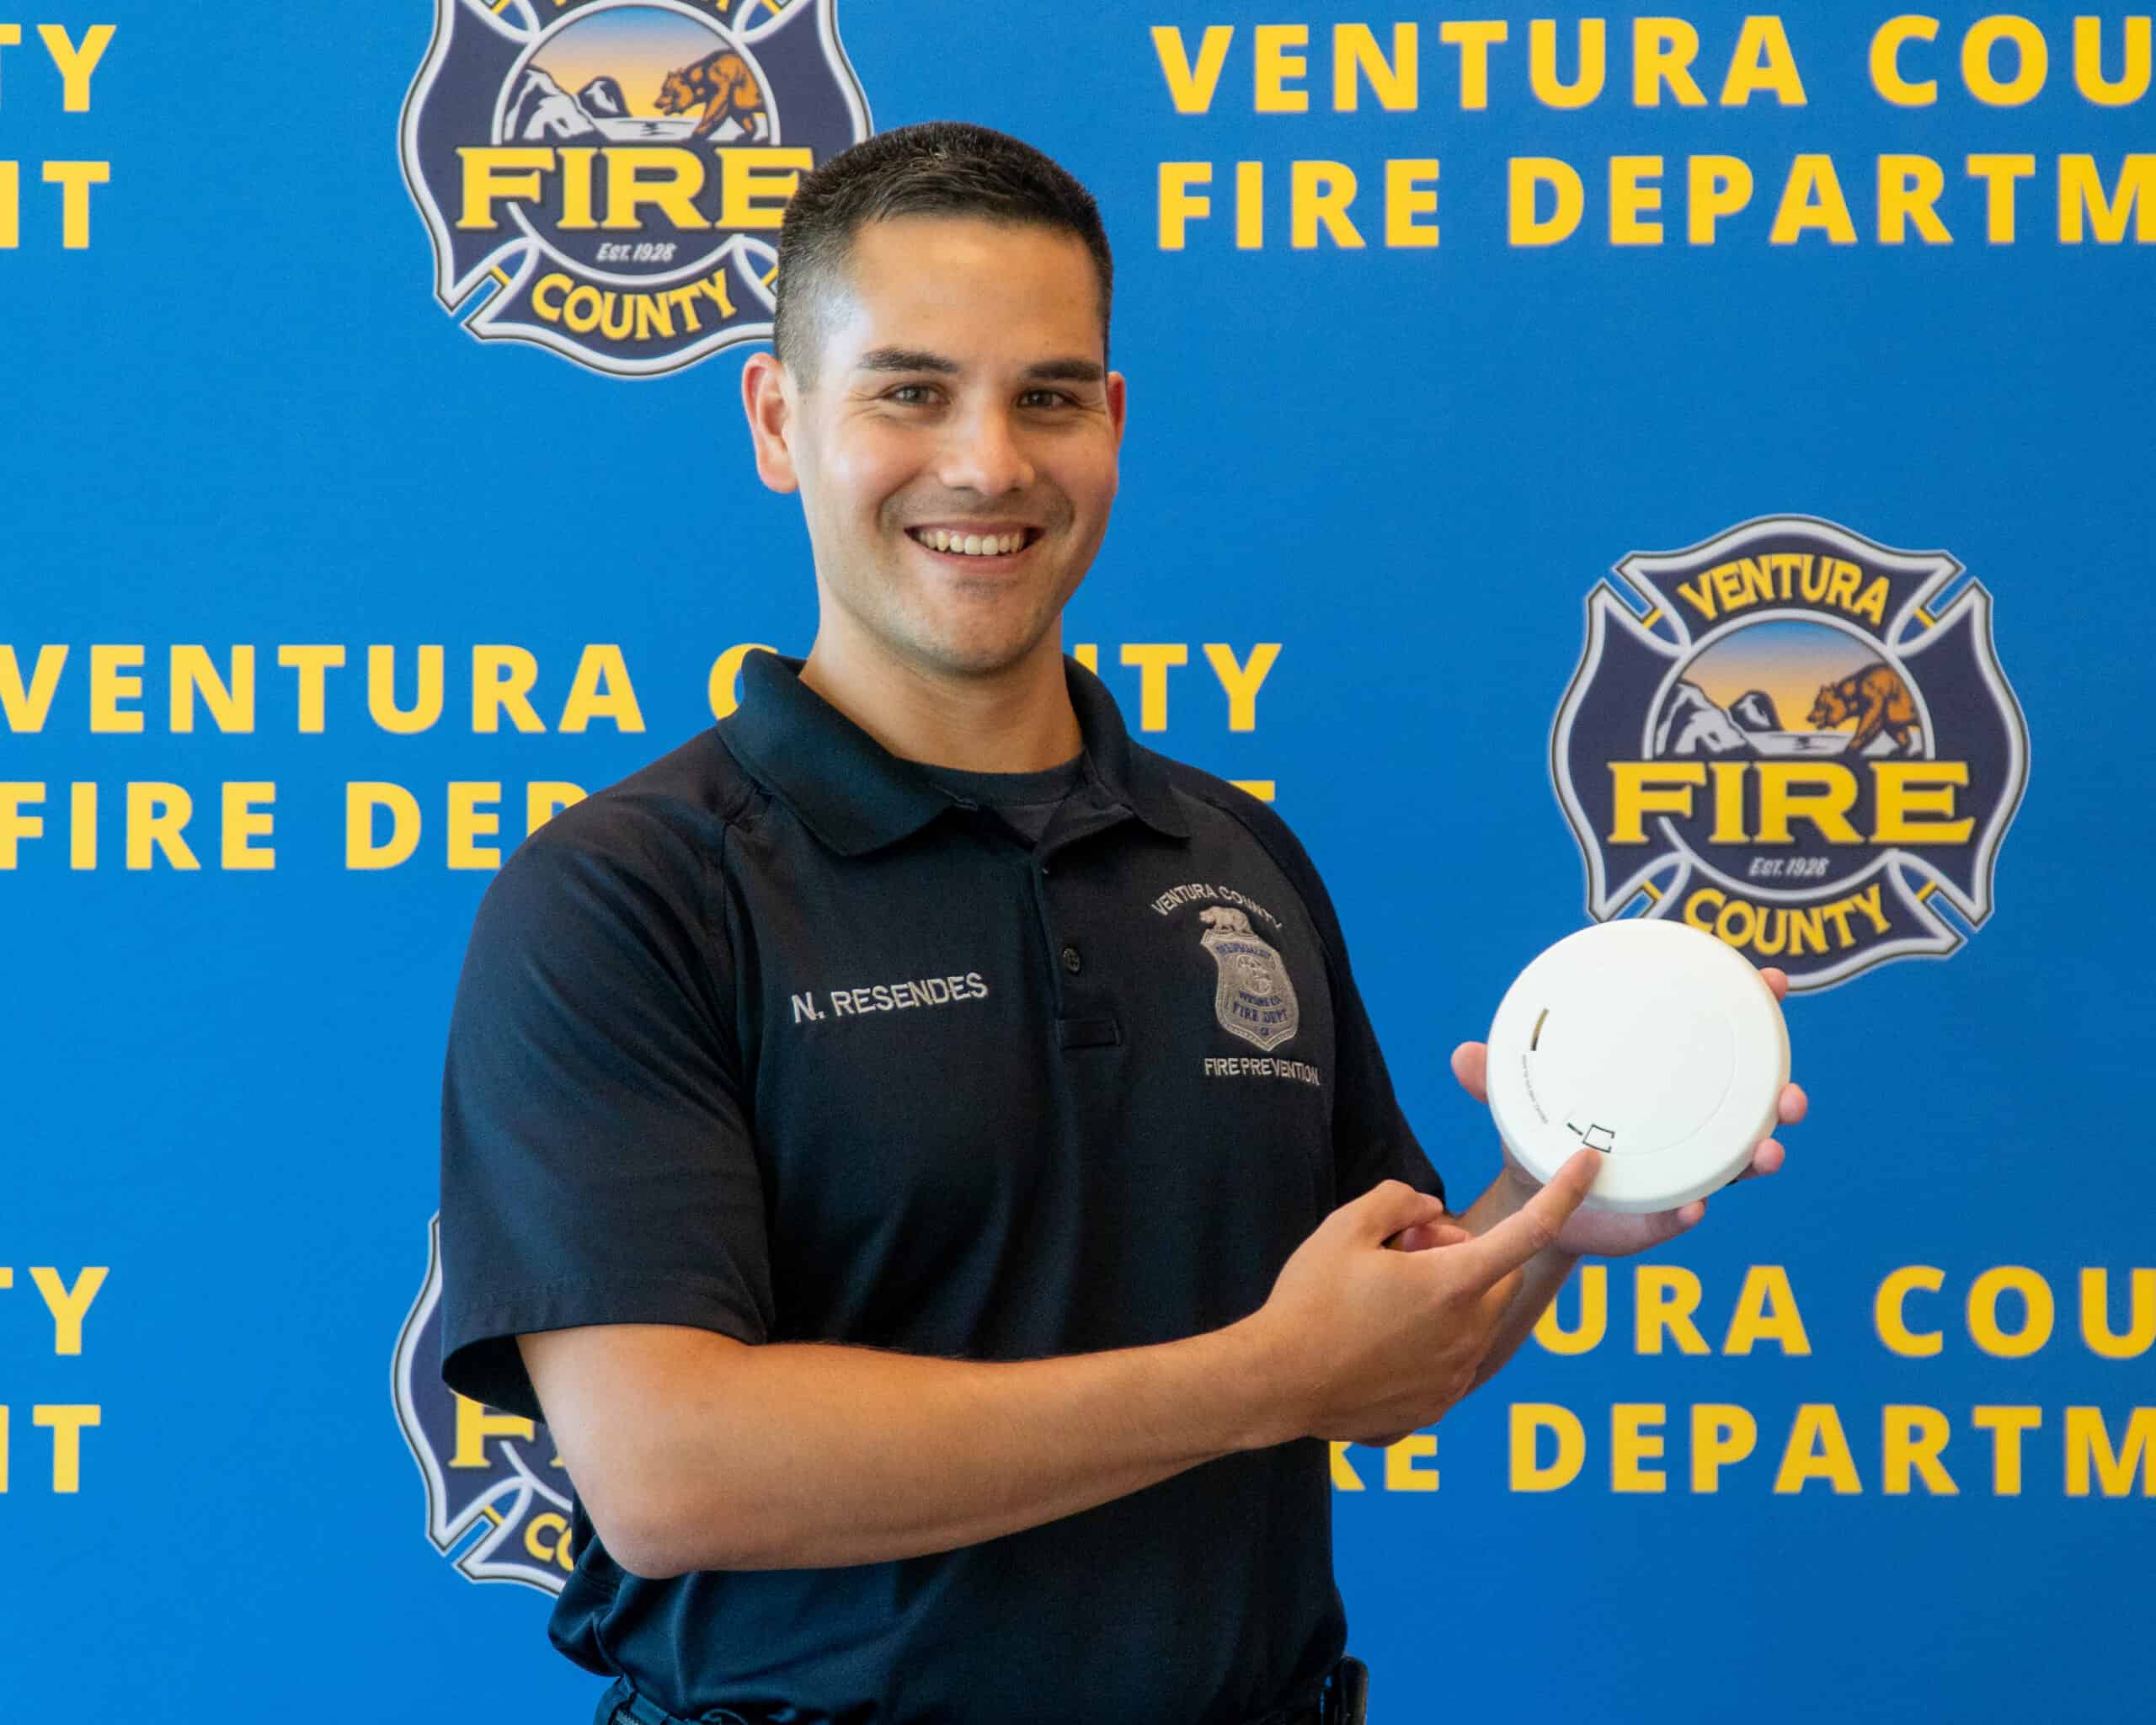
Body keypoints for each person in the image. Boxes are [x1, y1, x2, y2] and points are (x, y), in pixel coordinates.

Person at [436, 121, 1806, 1725]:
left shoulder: (1234, 857)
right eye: (909, 390)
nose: (989, 464)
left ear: (1113, 425)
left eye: (1049, 396)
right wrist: (1259, 1382)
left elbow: (1374, 1363)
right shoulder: (632, 894)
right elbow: (673, 1472)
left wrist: (1539, 1205)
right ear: (778, 420)